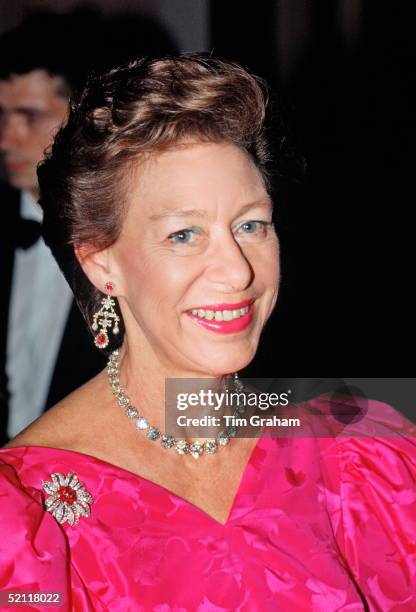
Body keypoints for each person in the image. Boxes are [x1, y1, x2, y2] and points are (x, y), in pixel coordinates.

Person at [0, 55, 415, 610]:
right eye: (183, 234)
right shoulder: (25, 510)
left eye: (250, 225)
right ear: (102, 264)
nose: (238, 271)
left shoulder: (364, 447)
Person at [0, 12, 107, 444]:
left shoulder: (128, 241)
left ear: (90, 118)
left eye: (30, 116)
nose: (7, 139)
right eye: (1, 115)